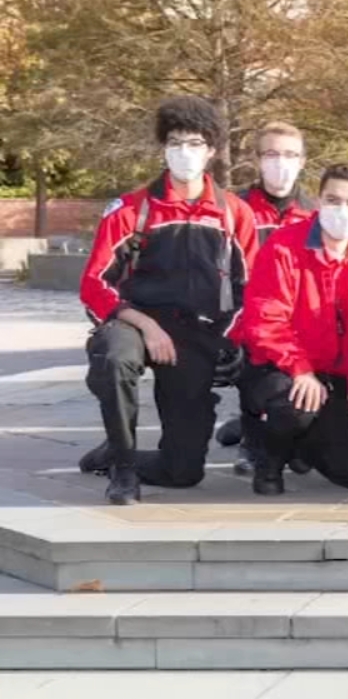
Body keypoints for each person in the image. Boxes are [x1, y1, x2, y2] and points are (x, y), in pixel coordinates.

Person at [76, 97, 258, 505]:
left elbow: (252, 289)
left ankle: (121, 455)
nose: (183, 153)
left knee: (184, 472)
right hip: (135, 321)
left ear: (211, 150)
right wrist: (143, 323)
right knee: (115, 357)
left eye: (194, 143)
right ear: (163, 148)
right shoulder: (131, 209)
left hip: (196, 331)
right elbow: (94, 284)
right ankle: (123, 468)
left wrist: (230, 338)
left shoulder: (233, 213)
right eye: (174, 143)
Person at [231, 164, 348, 496]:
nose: (341, 210)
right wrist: (300, 369)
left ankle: (302, 446)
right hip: (281, 367)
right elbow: (265, 320)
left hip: (341, 377)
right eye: (333, 200)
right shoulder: (283, 246)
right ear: (319, 201)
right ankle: (269, 459)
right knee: (295, 407)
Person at [219, 122, 316, 476]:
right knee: (252, 356)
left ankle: (294, 436)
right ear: (257, 160)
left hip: (299, 321)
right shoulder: (235, 208)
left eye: (290, 155)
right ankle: (250, 436)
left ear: (303, 161)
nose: (281, 163)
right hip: (247, 319)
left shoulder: (316, 212)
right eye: (272, 154)